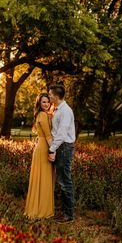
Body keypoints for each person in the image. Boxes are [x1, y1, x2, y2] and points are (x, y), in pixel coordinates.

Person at [24, 92, 55, 219]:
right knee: (44, 179)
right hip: (44, 149)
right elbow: (48, 136)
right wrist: (53, 150)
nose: (46, 104)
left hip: (40, 147)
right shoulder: (42, 115)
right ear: (39, 103)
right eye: (43, 102)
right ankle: (42, 210)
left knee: (42, 178)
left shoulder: (42, 114)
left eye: (48, 102)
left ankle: (38, 207)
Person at [48, 84, 76, 224]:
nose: (49, 96)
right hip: (61, 147)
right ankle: (63, 211)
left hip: (63, 147)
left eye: (50, 94)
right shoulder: (58, 109)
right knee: (61, 180)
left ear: (55, 95)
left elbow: (61, 134)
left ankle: (68, 214)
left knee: (65, 182)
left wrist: (52, 149)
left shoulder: (65, 111)